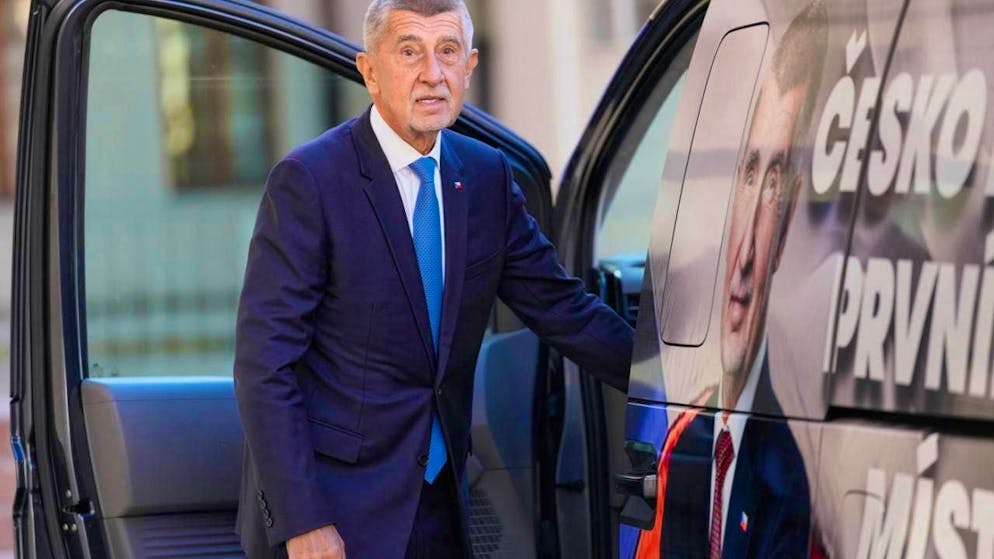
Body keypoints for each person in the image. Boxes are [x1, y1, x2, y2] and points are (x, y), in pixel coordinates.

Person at [232, 1, 634, 558]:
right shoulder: (310, 181)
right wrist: (304, 522)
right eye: (409, 52)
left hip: (442, 502)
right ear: (370, 71)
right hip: (336, 514)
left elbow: (564, 309)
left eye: (447, 51)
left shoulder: (488, 177)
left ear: (469, 66)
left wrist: (678, 386)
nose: (433, 73)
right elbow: (265, 365)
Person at [634, 3, 827, 558]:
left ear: (792, 221)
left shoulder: (795, 474)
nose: (743, 257)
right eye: (748, 174)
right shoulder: (686, 440)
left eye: (776, 185)